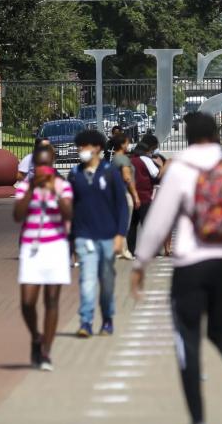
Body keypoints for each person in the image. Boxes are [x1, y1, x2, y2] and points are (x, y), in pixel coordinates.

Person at [131, 112, 222, 424]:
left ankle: (199, 423)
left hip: (190, 267)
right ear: (217, 133)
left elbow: (158, 222)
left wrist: (140, 265)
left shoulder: (180, 169)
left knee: (187, 340)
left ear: (187, 135)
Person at [13, 144, 74, 370]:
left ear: (53, 164)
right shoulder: (25, 187)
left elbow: (69, 213)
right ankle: (36, 336)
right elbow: (17, 216)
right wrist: (32, 191)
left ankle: (46, 351)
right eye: (39, 165)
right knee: (27, 302)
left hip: (56, 247)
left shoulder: (62, 185)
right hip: (31, 249)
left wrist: (54, 192)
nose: (43, 169)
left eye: (47, 165)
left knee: (51, 300)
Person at [68, 129, 128, 337]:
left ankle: (108, 319)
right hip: (85, 236)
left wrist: (120, 234)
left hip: (108, 237)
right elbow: (70, 206)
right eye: (79, 146)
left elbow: (121, 206)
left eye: (85, 146)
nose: (81, 150)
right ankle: (85, 321)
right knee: (87, 279)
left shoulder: (110, 172)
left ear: (98, 149)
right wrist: (72, 235)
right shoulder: (75, 174)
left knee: (106, 281)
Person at [109, 132, 139, 260]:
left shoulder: (114, 158)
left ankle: (119, 249)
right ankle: (123, 250)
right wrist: (135, 195)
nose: (128, 145)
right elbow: (127, 177)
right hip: (124, 193)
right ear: (122, 144)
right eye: (127, 143)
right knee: (124, 223)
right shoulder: (123, 159)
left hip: (116, 194)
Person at [127, 143, 158, 257]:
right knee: (147, 224)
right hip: (145, 195)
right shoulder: (146, 159)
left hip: (132, 195)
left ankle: (131, 249)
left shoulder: (130, 160)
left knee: (133, 225)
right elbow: (155, 173)